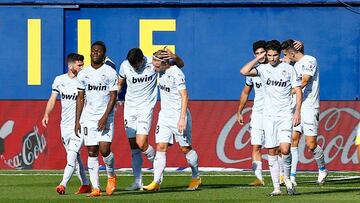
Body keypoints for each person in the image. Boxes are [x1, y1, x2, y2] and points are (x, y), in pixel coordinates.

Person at [240, 40, 302, 196]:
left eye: (275, 55)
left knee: (285, 149)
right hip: (268, 116)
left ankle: (287, 178)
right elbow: (244, 71)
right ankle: (276, 188)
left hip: (285, 115)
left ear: (279, 54)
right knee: (272, 151)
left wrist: (297, 112)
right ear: (266, 55)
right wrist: (258, 57)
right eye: (269, 55)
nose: (273, 58)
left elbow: (298, 91)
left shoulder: (288, 69)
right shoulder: (262, 69)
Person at [118, 47, 184, 190]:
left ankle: (157, 166)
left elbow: (178, 65)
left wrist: (174, 56)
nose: (135, 68)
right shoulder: (125, 66)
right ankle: (137, 181)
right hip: (129, 109)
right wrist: (115, 98)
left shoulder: (153, 63)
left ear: (142, 60)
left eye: (137, 65)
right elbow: (119, 84)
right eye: (133, 66)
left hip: (145, 108)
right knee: (133, 147)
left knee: (141, 143)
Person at [143, 50, 201, 191]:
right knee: (160, 147)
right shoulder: (159, 69)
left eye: (156, 65)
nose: (154, 67)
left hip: (178, 116)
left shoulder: (176, 73)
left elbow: (184, 96)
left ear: (164, 63)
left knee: (185, 148)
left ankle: (196, 177)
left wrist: (182, 119)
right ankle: (156, 182)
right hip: (164, 116)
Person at [42, 53, 91, 195]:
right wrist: (46, 114)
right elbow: (52, 99)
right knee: (75, 158)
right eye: (79, 65)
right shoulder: (60, 80)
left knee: (71, 156)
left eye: (82, 64)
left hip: (80, 125)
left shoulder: (86, 80)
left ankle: (62, 185)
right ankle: (86, 184)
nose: (82, 67)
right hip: (65, 126)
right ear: (71, 66)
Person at [281, 39, 328, 186]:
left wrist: (287, 90)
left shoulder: (310, 60)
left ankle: (322, 169)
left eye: (285, 55)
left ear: (290, 53)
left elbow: (304, 81)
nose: (285, 57)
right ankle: (292, 177)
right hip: (295, 107)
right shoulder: (293, 64)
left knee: (311, 144)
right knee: (293, 140)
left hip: (309, 107)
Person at [75, 41, 118, 197]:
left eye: (98, 51)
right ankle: (96, 188)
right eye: (93, 51)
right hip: (89, 118)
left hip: (106, 116)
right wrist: (77, 121)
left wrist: (105, 117)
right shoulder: (83, 74)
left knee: (105, 149)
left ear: (104, 54)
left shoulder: (110, 72)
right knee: (92, 151)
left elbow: (113, 96)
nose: (95, 53)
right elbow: (80, 98)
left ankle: (111, 176)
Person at [237, 40, 267, 186]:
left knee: (278, 147)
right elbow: (245, 92)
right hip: (258, 112)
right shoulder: (253, 72)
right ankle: (259, 178)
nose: (260, 55)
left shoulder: (277, 68)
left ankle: (281, 176)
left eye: (262, 52)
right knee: (256, 145)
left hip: (274, 112)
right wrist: (239, 111)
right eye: (257, 53)